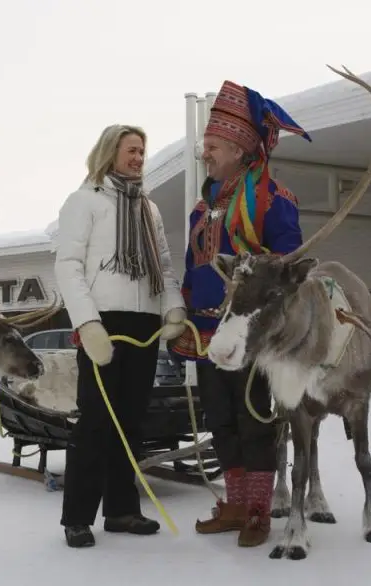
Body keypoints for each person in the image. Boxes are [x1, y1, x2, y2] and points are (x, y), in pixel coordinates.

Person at [169, 80, 311, 547]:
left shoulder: (273, 199)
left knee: (254, 419)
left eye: (210, 146)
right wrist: (182, 315)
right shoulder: (201, 209)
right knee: (221, 420)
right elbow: (193, 267)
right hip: (207, 330)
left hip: (249, 335)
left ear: (235, 147)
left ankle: (257, 510)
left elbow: (289, 265)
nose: (203, 153)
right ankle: (233, 504)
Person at [54, 124, 186, 548]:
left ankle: (122, 510)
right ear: (110, 152)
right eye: (131, 150)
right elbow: (68, 266)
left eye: (142, 151)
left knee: (130, 420)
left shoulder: (149, 209)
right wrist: (87, 324)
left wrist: (173, 307)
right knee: (95, 421)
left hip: (144, 322)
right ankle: (77, 516)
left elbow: (163, 267)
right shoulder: (84, 201)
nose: (138, 158)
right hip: (103, 322)